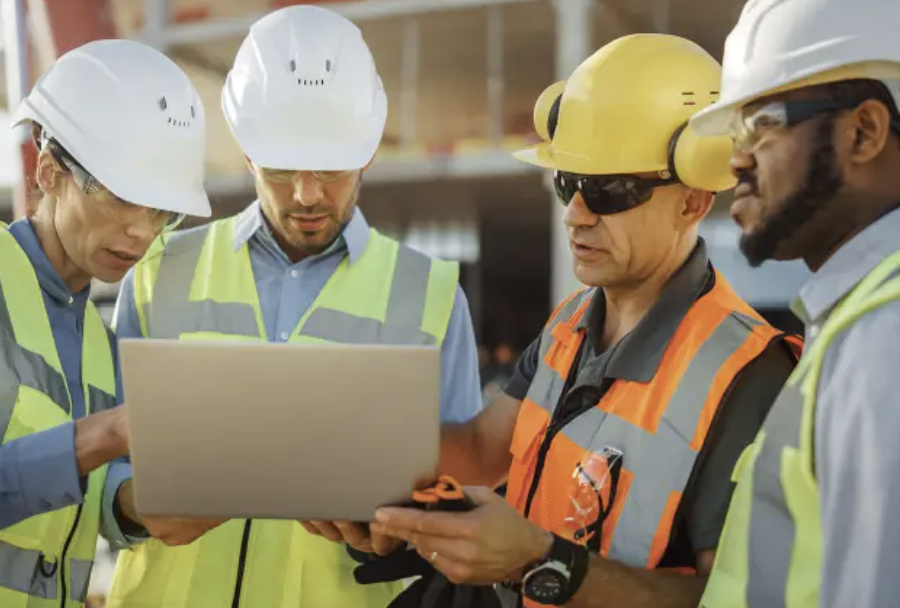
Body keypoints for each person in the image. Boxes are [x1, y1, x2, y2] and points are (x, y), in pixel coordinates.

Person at [367, 34, 802, 608]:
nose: (575, 214)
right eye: (567, 183)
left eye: (608, 191)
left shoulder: (746, 378)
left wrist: (540, 563)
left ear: (694, 201)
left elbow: (736, 599)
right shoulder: (570, 322)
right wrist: (361, 466)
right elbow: (479, 449)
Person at [103, 5, 483, 608]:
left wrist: (394, 534)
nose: (307, 194)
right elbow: (98, 463)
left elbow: (465, 493)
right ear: (248, 154)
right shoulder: (158, 273)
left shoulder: (431, 296)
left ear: (367, 153)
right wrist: (130, 506)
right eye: (281, 170)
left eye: (330, 170)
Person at [685, 1, 900, 607]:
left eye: (763, 125)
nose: (735, 159)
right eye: (734, 134)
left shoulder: (885, 338)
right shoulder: (856, 322)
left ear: (864, 132)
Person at [0, 39, 213, 607]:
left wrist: (142, 504)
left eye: (162, 211)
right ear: (48, 169)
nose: (142, 232)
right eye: (121, 197)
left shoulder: (100, 345)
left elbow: (84, 500)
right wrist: (106, 434)